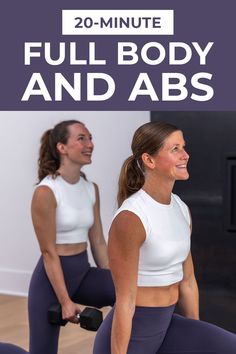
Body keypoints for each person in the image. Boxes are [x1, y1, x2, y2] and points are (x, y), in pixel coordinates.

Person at [93, 121, 236, 354]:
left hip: (168, 324)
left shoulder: (180, 208)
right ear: (149, 160)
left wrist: (195, 331)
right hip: (133, 335)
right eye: (175, 149)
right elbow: (125, 302)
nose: (186, 155)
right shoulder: (132, 217)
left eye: (184, 147)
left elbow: (188, 281)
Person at [0, 120, 115, 354]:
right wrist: (65, 301)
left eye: (90, 138)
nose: (90, 144)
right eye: (81, 138)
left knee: (129, 291)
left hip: (82, 273)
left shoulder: (90, 188)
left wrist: (113, 273)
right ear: (62, 147)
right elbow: (48, 252)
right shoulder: (46, 191)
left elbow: (98, 241)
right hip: (51, 282)